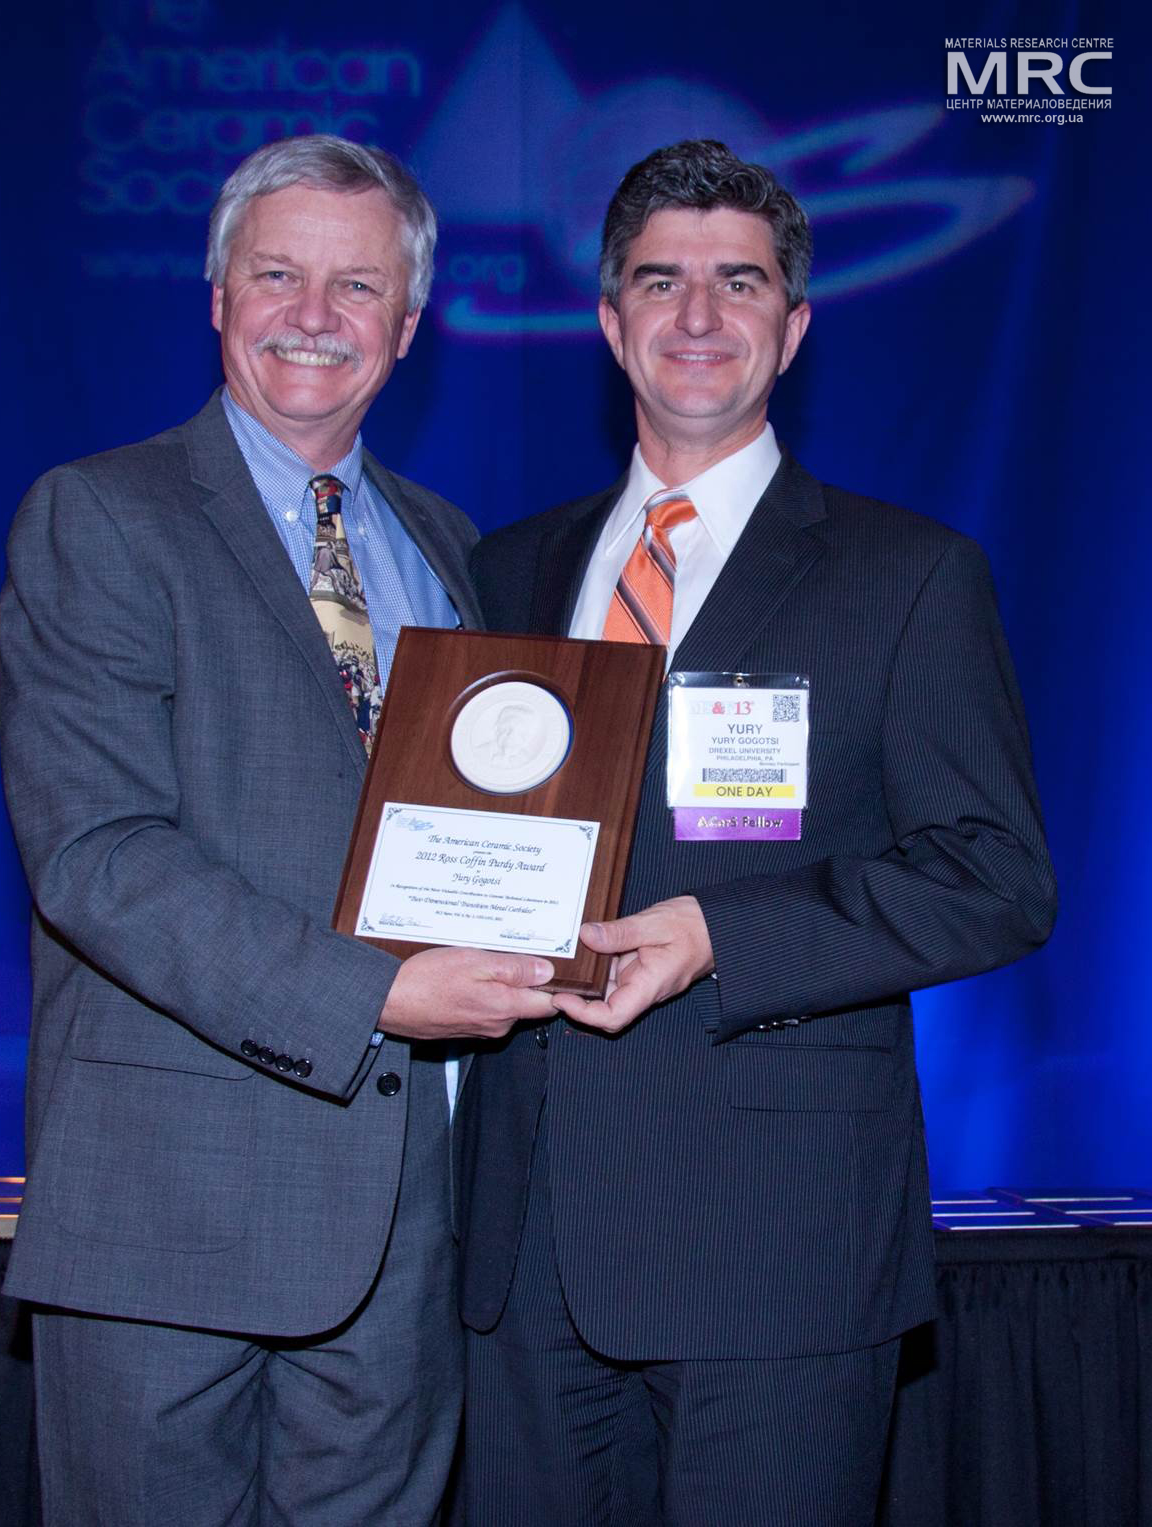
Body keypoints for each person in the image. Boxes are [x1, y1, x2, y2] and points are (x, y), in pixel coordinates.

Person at [455, 139, 1056, 1526]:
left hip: (778, 1246)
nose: (699, 316)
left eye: (740, 283)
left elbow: (999, 881)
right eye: (660, 282)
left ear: (793, 329)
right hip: (525, 1246)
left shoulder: (906, 577)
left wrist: (719, 935)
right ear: (609, 325)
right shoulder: (506, 568)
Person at [0, 134, 557, 1527]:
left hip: (406, 1215)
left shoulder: (452, 543)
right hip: (168, 1214)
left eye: (357, 288)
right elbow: (100, 858)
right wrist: (381, 993)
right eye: (278, 276)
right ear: (215, 296)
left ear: (409, 327)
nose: (314, 317)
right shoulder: (100, 517)